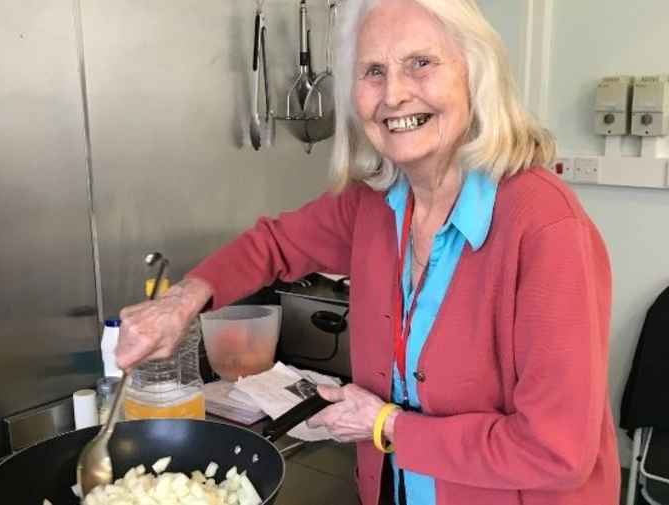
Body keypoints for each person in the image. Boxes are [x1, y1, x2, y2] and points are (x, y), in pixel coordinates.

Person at [116, 0, 621, 503]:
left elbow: (555, 452)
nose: (394, 94)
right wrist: (179, 304)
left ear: (476, 74)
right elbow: (271, 244)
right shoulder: (377, 202)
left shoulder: (546, 229)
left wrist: (386, 424)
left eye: (420, 63)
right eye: (373, 71)